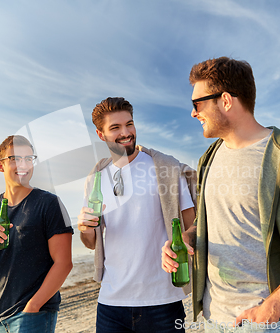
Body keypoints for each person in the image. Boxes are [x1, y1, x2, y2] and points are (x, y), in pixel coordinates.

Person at [162, 57, 280, 333]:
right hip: (213, 319)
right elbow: (208, 221)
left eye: (197, 104)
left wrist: (273, 307)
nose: (192, 113)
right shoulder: (208, 159)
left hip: (269, 323)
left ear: (225, 100)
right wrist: (188, 237)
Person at [77, 97, 197, 333]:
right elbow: (91, 243)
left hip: (163, 300)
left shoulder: (165, 169)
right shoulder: (96, 178)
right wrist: (85, 229)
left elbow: (193, 226)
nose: (126, 132)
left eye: (129, 124)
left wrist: (183, 242)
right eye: (115, 127)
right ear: (101, 135)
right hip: (111, 303)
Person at [0, 135, 74, 332]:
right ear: (1, 166)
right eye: (14, 158)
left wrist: (32, 307)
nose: (22, 164)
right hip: (0, 317)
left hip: (34, 315)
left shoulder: (49, 204)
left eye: (28, 158)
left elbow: (64, 263)